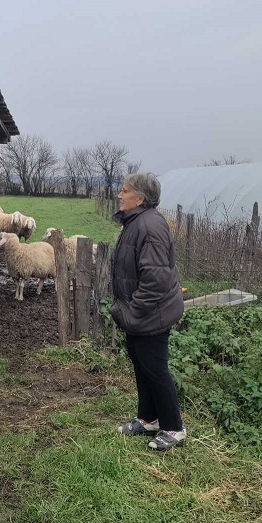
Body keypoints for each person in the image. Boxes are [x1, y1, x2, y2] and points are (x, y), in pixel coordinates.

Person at [110, 173, 186, 450]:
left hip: (152, 312)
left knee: (155, 369)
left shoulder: (150, 226)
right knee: (141, 365)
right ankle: (148, 419)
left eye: (124, 191)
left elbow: (155, 280)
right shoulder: (136, 221)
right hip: (141, 312)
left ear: (140, 198)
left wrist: (134, 311)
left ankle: (174, 428)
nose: (119, 195)